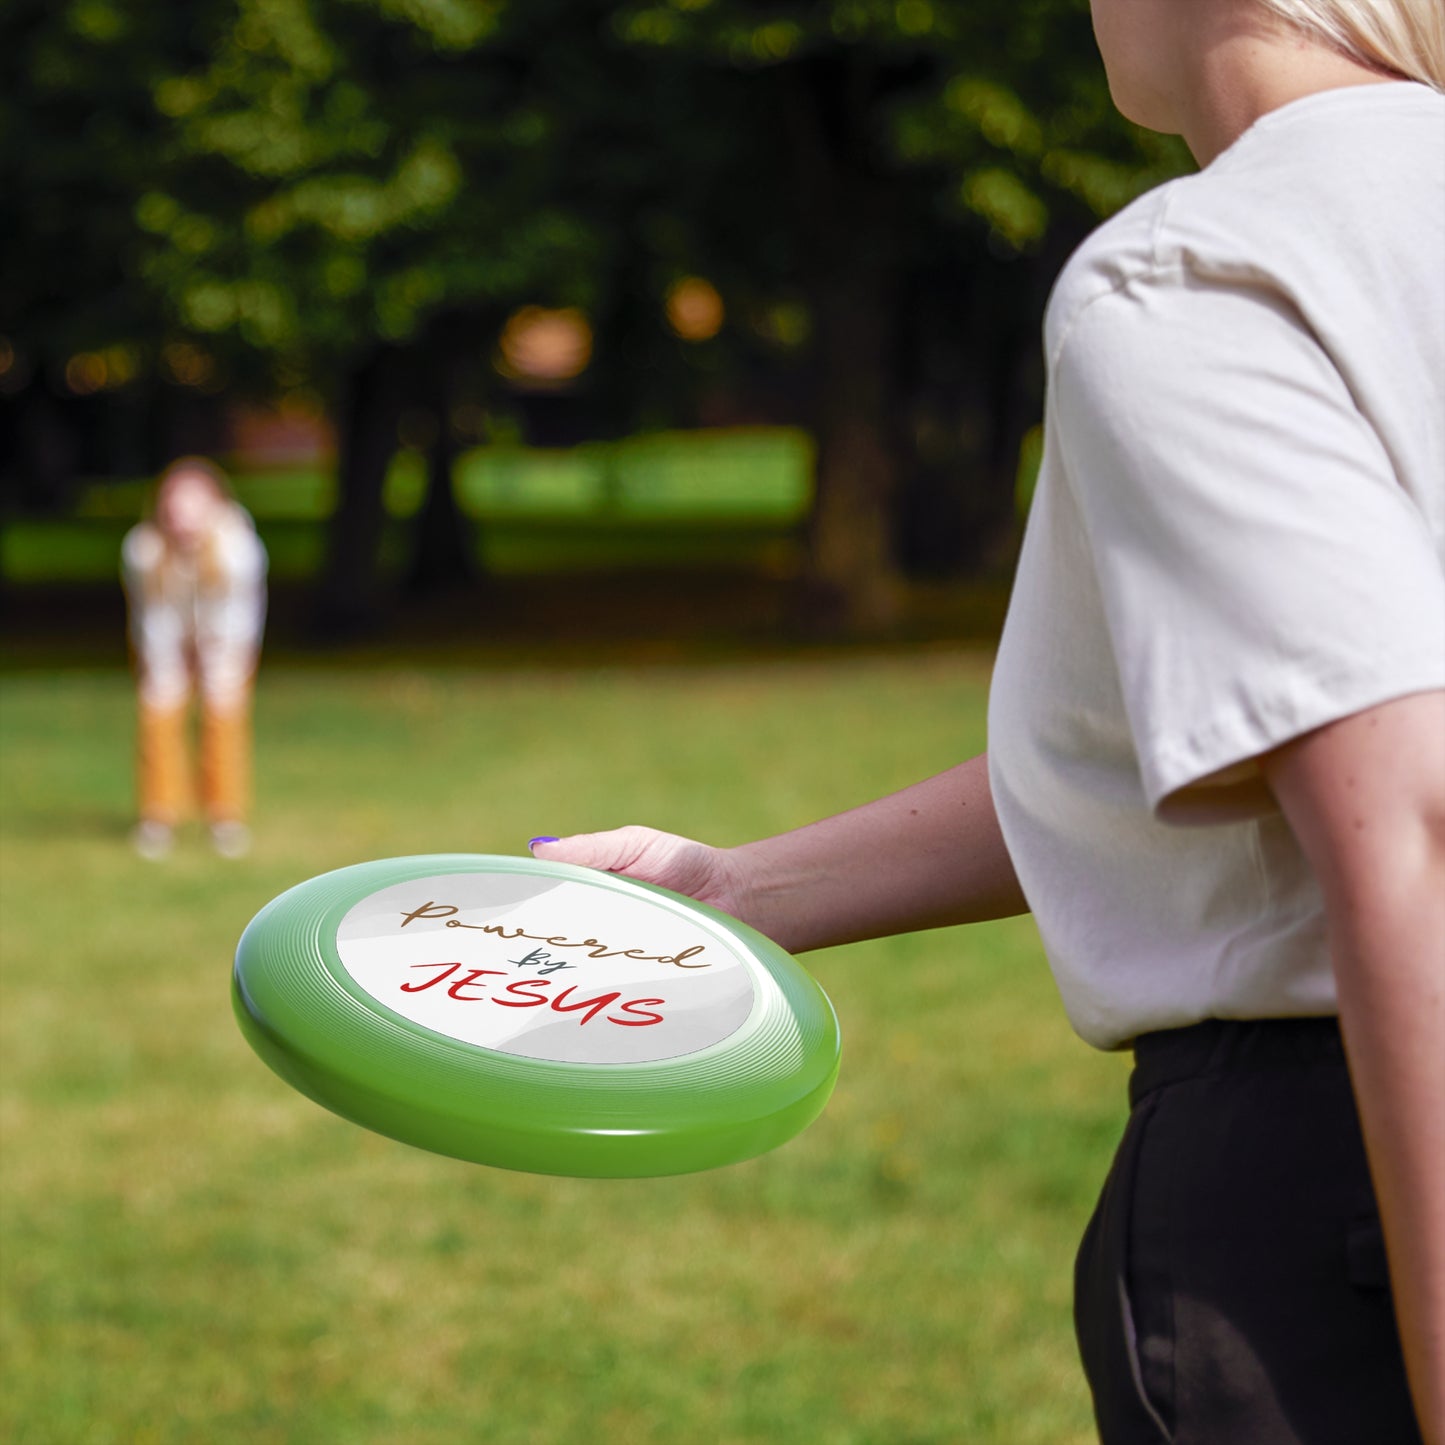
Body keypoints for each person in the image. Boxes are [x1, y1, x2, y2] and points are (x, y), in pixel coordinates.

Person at [529, 2, 1445, 1440]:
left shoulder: (1204, 269)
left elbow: (1408, 821)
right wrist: (736, 889)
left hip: (1343, 1189)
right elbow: (1220, 741)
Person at [121, 457, 268, 860]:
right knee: (158, 713)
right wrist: (168, 664)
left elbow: (239, 616)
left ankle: (225, 817)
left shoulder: (238, 548)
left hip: (226, 642)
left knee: (223, 717)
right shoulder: (143, 549)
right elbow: (152, 616)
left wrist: (215, 659)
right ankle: (158, 816)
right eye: (174, 506)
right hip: (165, 641)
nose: (182, 517)